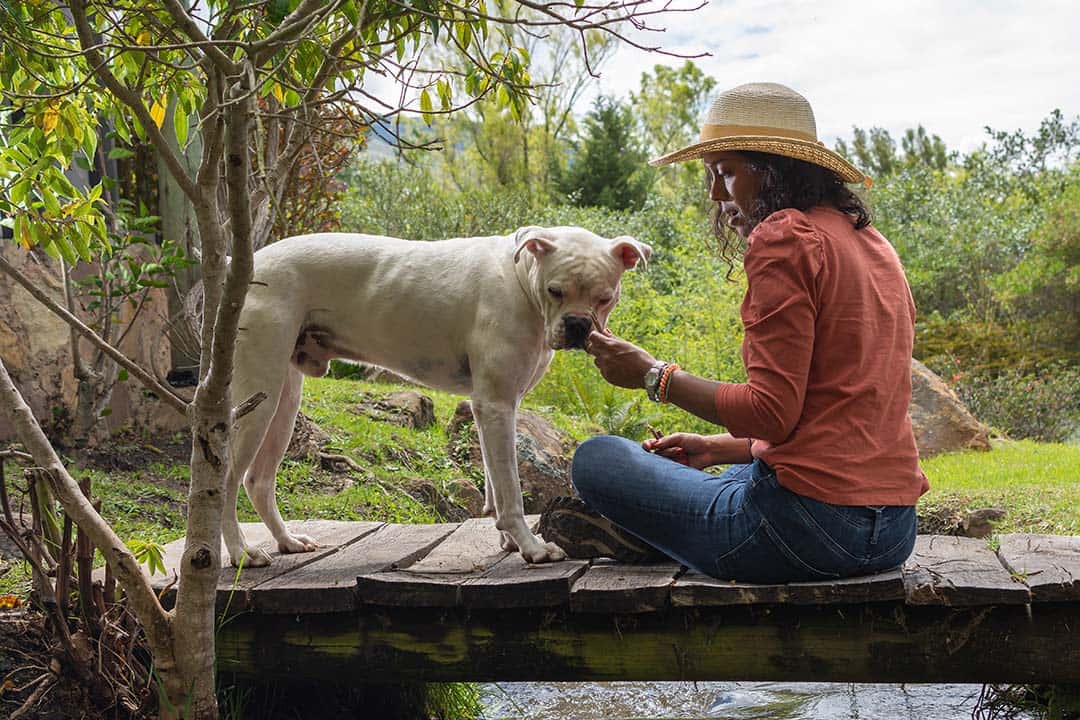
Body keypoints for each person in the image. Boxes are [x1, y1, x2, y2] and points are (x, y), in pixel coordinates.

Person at [538, 82, 928, 583]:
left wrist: (652, 376)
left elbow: (771, 413)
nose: (716, 195)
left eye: (727, 173)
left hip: (803, 533)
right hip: (893, 532)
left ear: (775, 170)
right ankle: (672, 527)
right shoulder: (871, 243)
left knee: (599, 458)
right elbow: (835, 410)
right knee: (738, 471)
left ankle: (658, 533)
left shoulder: (784, 235)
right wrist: (717, 447)